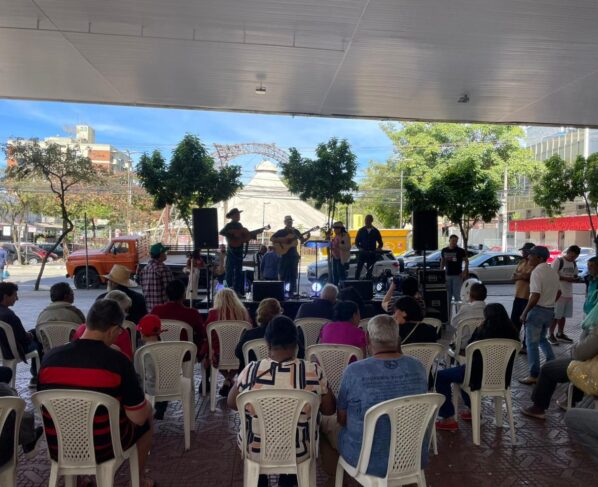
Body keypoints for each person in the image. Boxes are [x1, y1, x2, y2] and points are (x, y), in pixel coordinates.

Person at [37, 300, 155, 487]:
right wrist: (147, 407)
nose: (118, 335)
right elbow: (138, 418)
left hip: (60, 444)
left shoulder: (49, 358)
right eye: (119, 331)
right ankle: (138, 480)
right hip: (103, 446)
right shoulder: (118, 361)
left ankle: (78, 479)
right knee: (146, 417)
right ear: (112, 329)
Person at [227, 315, 335, 487]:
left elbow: (232, 403)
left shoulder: (251, 370)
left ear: (267, 343)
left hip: (257, 449)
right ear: (297, 343)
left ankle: (260, 480)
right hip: (298, 449)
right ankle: (289, 479)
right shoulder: (313, 371)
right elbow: (329, 410)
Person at [320, 314, 427, 483]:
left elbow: (341, 419)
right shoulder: (418, 367)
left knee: (323, 423)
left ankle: (335, 478)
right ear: (398, 339)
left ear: (367, 338)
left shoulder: (354, 371)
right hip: (411, 455)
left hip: (366, 459)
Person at [435, 303, 519, 431]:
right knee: (464, 372)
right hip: (501, 377)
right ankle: (471, 410)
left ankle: (448, 418)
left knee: (442, 376)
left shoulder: (483, 331)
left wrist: (478, 329)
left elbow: (469, 348)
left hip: (477, 375)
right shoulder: (513, 332)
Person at [520, 305, 598, 419]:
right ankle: (570, 400)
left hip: (593, 371)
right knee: (576, 367)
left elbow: (580, 354)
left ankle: (538, 408)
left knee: (548, 369)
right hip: (591, 364)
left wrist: (575, 347)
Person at [519, 246, 560, 385]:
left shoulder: (537, 272)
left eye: (531, 255)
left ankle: (534, 375)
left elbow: (535, 295)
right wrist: (550, 302)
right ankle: (552, 366)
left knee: (531, 344)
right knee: (542, 339)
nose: (528, 257)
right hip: (549, 311)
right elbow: (559, 292)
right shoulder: (552, 271)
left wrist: (524, 313)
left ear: (540, 258)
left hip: (537, 311)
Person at [202, 288, 252, 396]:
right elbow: (249, 331)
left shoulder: (213, 313)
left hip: (219, 355)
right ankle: (229, 379)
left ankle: (227, 379)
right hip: (239, 354)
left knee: (212, 351)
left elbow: (206, 333)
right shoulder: (243, 312)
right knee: (238, 355)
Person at [234, 298, 306, 370]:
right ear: (279, 313)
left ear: (259, 313)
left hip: (253, 373)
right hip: (285, 373)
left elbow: (238, 353)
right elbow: (301, 353)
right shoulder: (288, 334)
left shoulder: (249, 334)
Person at [0, 366, 43, 467]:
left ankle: (27, 437)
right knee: (7, 393)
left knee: (5, 374)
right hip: (2, 454)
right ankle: (28, 438)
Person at [0, 282, 42, 387]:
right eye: (15, 295)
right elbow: (24, 339)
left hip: (2, 349)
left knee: (34, 332)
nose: (17, 298)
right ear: (5, 296)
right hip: (12, 351)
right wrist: (30, 336)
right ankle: (36, 376)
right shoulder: (9, 315)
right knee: (39, 340)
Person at [74, 291, 134, 360]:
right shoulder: (121, 332)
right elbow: (128, 359)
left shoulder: (82, 328)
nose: (127, 314)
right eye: (125, 310)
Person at [151, 279, 205, 352]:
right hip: (186, 355)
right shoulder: (192, 313)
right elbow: (202, 334)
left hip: (160, 354)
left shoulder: (156, 311)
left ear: (166, 294)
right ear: (184, 294)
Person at [136, 314, 170, 420]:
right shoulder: (168, 347)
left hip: (151, 389)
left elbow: (138, 372)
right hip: (169, 386)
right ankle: (161, 406)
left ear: (142, 333)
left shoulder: (142, 351)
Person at [548, 245, 581, 345]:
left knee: (563, 315)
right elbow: (552, 276)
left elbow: (575, 274)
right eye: (572, 256)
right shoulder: (558, 261)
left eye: (575, 257)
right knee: (555, 315)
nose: (573, 258)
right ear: (568, 252)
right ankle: (550, 335)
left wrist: (576, 278)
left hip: (568, 293)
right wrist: (566, 279)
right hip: (558, 293)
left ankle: (560, 333)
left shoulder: (573, 263)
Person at [270, 215, 310, 295]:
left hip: (293, 255)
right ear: (285, 222)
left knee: (293, 274)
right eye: (288, 221)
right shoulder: (281, 232)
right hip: (284, 255)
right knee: (283, 273)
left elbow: (302, 241)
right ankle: (281, 291)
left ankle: (293, 292)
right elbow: (272, 238)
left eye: (291, 221)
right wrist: (283, 240)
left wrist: (307, 238)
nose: (290, 222)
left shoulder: (295, 231)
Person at [511, 242, 537, 352]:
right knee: (514, 321)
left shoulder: (535, 264)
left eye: (524, 251)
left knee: (527, 322)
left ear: (530, 252)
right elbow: (513, 277)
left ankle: (526, 346)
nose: (522, 252)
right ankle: (514, 343)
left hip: (528, 298)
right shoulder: (521, 262)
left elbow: (529, 277)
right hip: (518, 296)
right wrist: (522, 276)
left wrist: (520, 275)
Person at [220, 208, 247, 296]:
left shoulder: (240, 225)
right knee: (229, 272)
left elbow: (241, 236)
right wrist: (232, 234)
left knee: (239, 272)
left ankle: (237, 291)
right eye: (236, 214)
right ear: (232, 216)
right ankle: (226, 291)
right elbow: (221, 232)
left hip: (239, 251)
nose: (238, 216)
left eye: (239, 214)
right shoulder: (229, 225)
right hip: (231, 252)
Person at [450, 282, 487, 347]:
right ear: (485, 296)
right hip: (481, 345)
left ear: (470, 295)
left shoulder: (465, 308)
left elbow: (453, 323)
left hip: (464, 345)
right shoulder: (488, 310)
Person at [139, 242, 174, 311]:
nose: (166, 254)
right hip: (163, 309)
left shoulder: (145, 269)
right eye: (165, 252)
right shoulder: (163, 269)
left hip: (150, 309)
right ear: (161, 254)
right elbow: (172, 290)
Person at [440, 234, 469, 308]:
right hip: (447, 276)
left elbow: (466, 261)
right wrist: (441, 272)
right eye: (453, 240)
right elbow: (442, 261)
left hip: (457, 276)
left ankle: (459, 312)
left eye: (456, 241)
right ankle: (448, 313)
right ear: (449, 240)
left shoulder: (460, 251)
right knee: (448, 296)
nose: (454, 242)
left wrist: (465, 271)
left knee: (457, 296)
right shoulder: (444, 250)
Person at [354, 214, 383, 280]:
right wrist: (360, 248)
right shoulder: (361, 230)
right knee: (358, 269)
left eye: (368, 220)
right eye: (366, 220)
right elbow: (356, 242)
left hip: (371, 254)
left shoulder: (376, 231)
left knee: (369, 271)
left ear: (371, 221)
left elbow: (381, 243)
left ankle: (368, 283)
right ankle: (356, 282)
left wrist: (378, 249)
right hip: (362, 253)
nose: (366, 221)